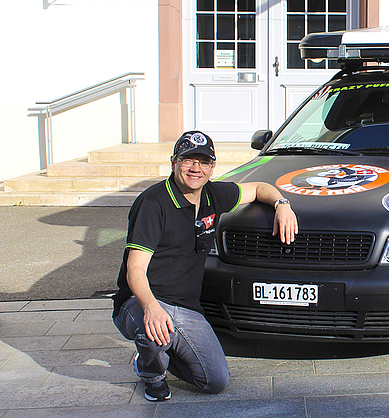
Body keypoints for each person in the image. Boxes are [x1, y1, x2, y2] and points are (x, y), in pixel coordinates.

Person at [112, 131, 298, 401]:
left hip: (185, 305)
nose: (195, 168)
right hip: (140, 301)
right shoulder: (153, 203)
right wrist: (151, 307)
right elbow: (135, 269)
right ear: (174, 162)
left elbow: (259, 188)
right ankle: (151, 372)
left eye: (203, 162)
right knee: (152, 330)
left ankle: (164, 348)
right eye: (188, 161)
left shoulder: (214, 195)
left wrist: (282, 204)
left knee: (216, 381)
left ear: (212, 167)